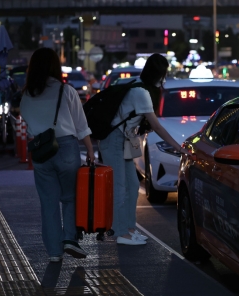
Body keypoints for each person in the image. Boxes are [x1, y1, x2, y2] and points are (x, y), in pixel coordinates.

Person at [99, 53, 190, 246]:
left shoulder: (138, 85)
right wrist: (179, 148)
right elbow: (157, 126)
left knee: (132, 186)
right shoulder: (141, 93)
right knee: (120, 187)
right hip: (114, 139)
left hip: (124, 139)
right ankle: (120, 232)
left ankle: (130, 230)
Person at [20, 47, 95, 262]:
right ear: (55, 66)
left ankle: (54, 251)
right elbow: (81, 125)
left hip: (41, 149)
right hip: (66, 147)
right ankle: (70, 238)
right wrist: (90, 150)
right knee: (70, 196)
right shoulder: (66, 91)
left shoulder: (27, 94)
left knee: (48, 201)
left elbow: (25, 119)